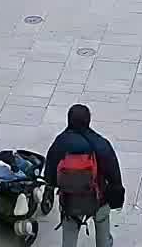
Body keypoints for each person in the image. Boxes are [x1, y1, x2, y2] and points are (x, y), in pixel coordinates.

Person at [45, 104, 123, 247]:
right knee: (103, 233)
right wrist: (116, 200)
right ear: (88, 120)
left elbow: (49, 175)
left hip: (69, 202)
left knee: (69, 240)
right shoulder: (100, 144)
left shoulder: (60, 142)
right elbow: (114, 177)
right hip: (98, 199)